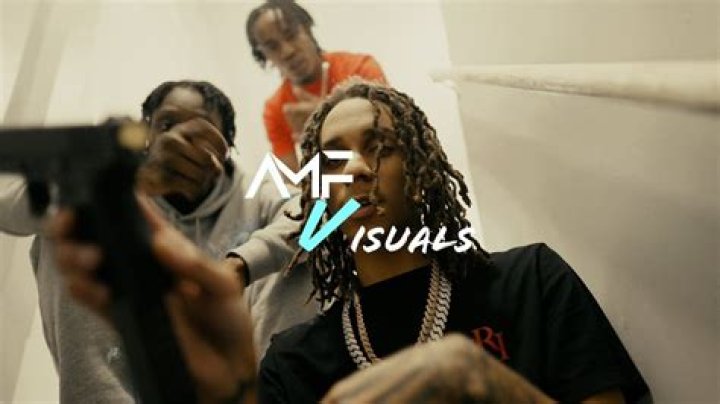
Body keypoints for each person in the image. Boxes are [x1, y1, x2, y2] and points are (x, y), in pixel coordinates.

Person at [51, 81, 650, 403]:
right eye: (333, 160)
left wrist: (489, 386)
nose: (357, 169)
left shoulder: (529, 283)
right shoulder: (296, 360)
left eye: (380, 147)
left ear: (421, 172)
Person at [0, 80, 298, 402]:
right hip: (106, 383)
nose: (179, 139)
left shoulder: (253, 189)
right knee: (72, 221)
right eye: (167, 125)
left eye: (201, 129)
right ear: (146, 136)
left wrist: (241, 265)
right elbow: (7, 207)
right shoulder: (112, 179)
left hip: (216, 382)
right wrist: (126, 181)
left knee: (304, 252)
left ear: (228, 146)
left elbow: (317, 218)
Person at [246, 0, 387, 172]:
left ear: (307, 29)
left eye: (291, 35)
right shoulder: (276, 109)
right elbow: (292, 180)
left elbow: (390, 134)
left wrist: (327, 120)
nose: (287, 51)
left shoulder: (359, 68)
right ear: (264, 55)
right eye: (273, 47)